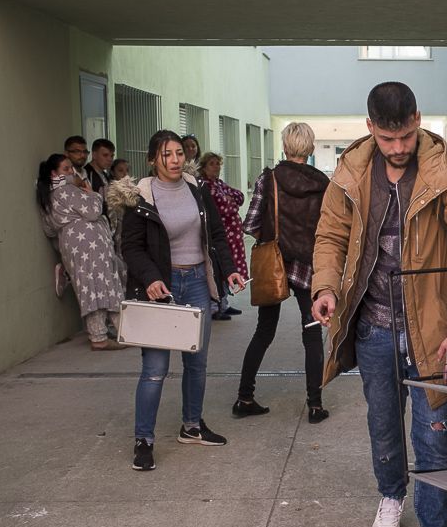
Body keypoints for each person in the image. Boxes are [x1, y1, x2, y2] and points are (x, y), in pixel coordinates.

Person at [311, 82, 447, 527]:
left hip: (435, 333)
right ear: (370, 125)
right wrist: (325, 286)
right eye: (389, 137)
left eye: (407, 135)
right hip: (373, 327)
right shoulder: (350, 172)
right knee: (382, 424)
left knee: (434, 437)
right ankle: (392, 494)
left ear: (418, 120)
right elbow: (329, 236)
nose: (398, 147)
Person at [118, 130, 244, 471]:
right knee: (155, 369)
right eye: (166, 154)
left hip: (197, 283)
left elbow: (215, 234)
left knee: (197, 363)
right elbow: (130, 247)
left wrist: (229, 270)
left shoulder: (196, 188)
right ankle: (143, 439)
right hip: (163, 286)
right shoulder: (140, 196)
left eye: (178, 153)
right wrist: (152, 278)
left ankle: (192, 425)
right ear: (152, 159)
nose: (174, 160)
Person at [233, 123, 330, 424]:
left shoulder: (269, 179)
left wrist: (275, 234)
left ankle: (244, 397)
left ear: (285, 147)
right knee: (312, 333)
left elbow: (249, 223)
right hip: (308, 266)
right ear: (311, 148)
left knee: (264, 331)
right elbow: (329, 228)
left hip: (274, 264)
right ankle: (315, 405)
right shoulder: (323, 183)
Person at [35, 153, 127, 351]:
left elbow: (49, 228)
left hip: (71, 245)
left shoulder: (47, 195)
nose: (71, 172)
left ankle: (101, 334)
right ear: (54, 173)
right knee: (106, 285)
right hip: (90, 244)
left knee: (89, 287)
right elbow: (94, 210)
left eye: (71, 169)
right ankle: (114, 334)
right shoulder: (66, 190)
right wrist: (91, 192)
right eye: (66, 169)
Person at [199, 152, 246, 319]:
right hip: (220, 235)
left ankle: (224, 303)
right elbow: (224, 209)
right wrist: (229, 202)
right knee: (218, 270)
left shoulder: (219, 184)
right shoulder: (205, 186)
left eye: (218, 163)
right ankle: (215, 306)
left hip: (232, 236)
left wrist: (229, 200)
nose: (216, 166)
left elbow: (240, 197)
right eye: (211, 163)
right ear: (203, 167)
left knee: (229, 269)